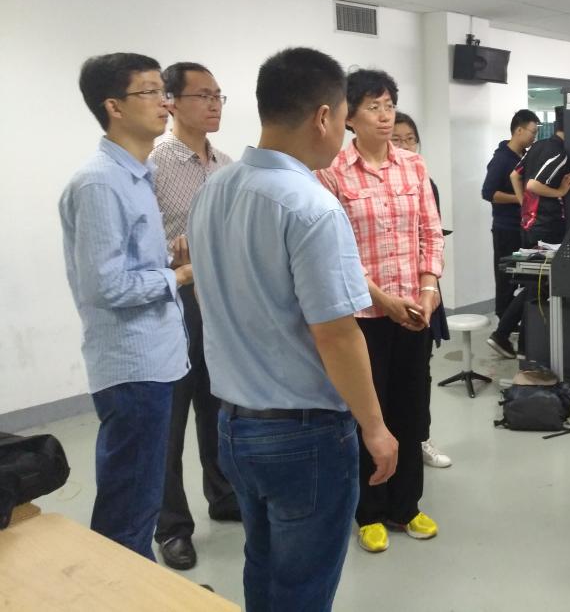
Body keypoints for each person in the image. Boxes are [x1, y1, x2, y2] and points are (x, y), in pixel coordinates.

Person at [187, 48, 398, 611]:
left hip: (234, 426)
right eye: (346, 117)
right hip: (303, 435)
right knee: (303, 586)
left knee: (263, 565)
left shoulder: (214, 189)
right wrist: (375, 427)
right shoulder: (311, 207)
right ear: (324, 117)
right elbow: (337, 334)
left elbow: (211, 296)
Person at [59, 53, 191, 559]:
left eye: (164, 92)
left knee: (141, 496)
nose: (165, 103)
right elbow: (107, 286)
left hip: (155, 357)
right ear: (113, 106)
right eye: (150, 92)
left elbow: (127, 267)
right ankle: (118, 588)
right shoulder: (100, 182)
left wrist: (167, 260)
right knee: (129, 503)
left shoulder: (137, 174)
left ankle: (135, 585)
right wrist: (179, 275)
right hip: (132, 365)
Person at [317, 69, 444, 554]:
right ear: (349, 116)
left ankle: (405, 505)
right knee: (371, 412)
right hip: (363, 317)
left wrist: (428, 288)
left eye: (389, 104)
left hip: (414, 311)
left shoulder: (413, 165)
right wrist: (382, 299)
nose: (385, 115)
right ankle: (368, 510)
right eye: (373, 107)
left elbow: (430, 233)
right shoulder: (332, 171)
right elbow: (336, 252)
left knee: (411, 409)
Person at [150, 62, 239, 571]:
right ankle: (172, 526)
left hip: (221, 299)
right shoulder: (155, 165)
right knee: (172, 417)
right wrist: (175, 258)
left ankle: (223, 495)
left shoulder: (227, 165)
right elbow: (142, 244)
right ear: (172, 102)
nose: (213, 104)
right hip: (175, 301)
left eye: (218, 95)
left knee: (217, 404)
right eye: (202, 95)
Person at [487, 107, 570, 359]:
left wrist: (524, 205)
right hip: (545, 228)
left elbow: (515, 176)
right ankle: (505, 334)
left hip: (529, 225)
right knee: (539, 285)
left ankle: (523, 345)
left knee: (535, 284)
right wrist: (559, 192)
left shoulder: (537, 147)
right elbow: (533, 184)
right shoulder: (559, 152)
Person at [392, 111, 452, 469]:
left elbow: (431, 237)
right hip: (380, 296)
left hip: (421, 291)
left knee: (419, 373)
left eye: (409, 139)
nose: (403, 145)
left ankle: (419, 439)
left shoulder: (425, 183)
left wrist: (431, 285)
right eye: (396, 139)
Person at [481, 109, 540, 317]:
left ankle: (517, 322)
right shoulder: (501, 159)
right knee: (506, 279)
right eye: (532, 132)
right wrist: (519, 198)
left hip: (522, 227)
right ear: (519, 130)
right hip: (505, 229)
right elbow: (488, 193)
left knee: (522, 278)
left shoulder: (523, 157)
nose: (534, 137)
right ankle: (503, 321)